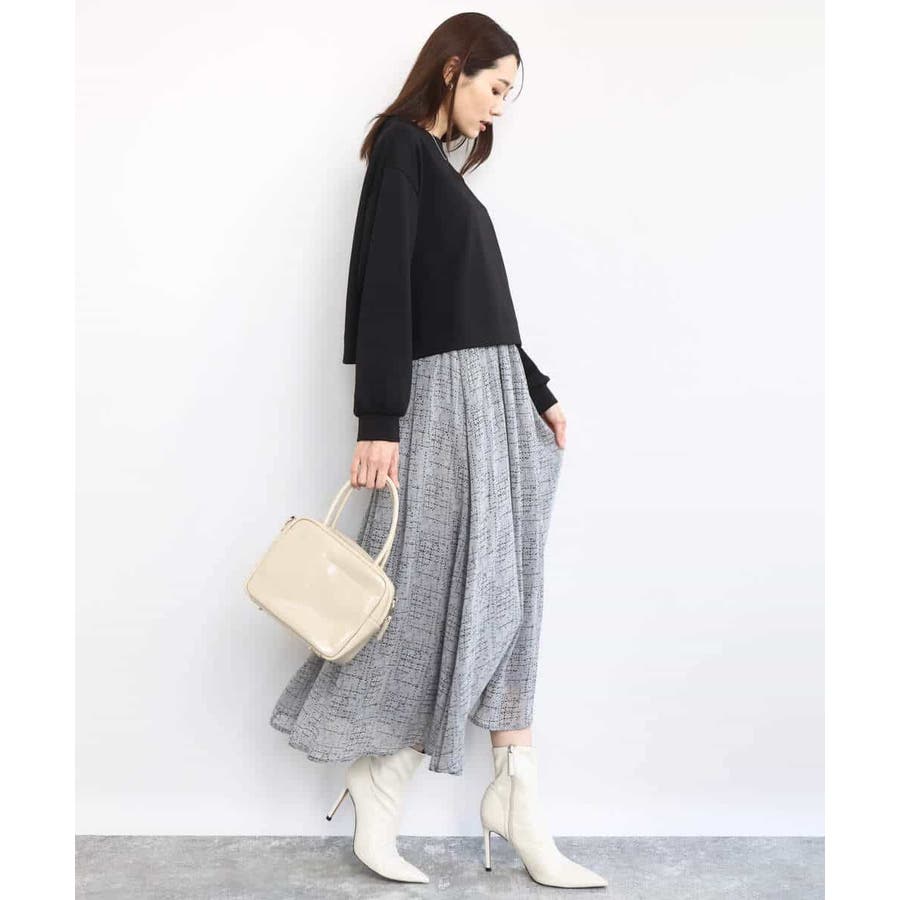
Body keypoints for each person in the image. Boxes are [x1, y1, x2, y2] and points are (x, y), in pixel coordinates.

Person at [269, 12, 607, 890]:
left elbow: (476, 303)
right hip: (444, 400)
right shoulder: (401, 150)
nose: (499, 108)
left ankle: (516, 790)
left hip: (492, 395)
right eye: (495, 87)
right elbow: (386, 288)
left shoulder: (441, 171)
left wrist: (537, 389)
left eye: (508, 95)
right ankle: (385, 779)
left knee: (511, 589)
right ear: (454, 68)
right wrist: (379, 419)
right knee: (442, 594)